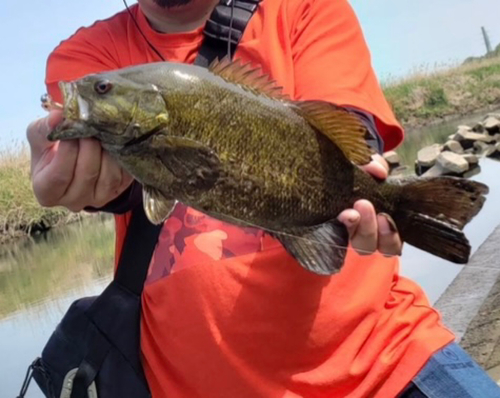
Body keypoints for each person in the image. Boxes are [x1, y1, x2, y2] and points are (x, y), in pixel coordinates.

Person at [26, 0, 500, 397]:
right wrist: (75, 178)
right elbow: (115, 185)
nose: (96, 92)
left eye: (104, 90)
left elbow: (349, 134)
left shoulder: (305, 8)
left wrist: (370, 188)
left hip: (386, 363)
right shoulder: (88, 55)